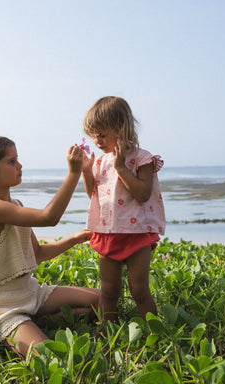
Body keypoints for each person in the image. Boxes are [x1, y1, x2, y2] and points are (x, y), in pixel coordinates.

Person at [0, 136, 99, 357]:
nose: (19, 166)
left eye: (17, 159)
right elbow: (49, 217)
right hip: (2, 307)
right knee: (51, 358)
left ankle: (35, 320)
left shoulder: (16, 204)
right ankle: (23, 327)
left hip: (30, 292)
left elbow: (37, 253)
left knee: (103, 300)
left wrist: (74, 239)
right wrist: (73, 173)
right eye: (11, 162)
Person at [81, 96, 166, 322]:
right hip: (108, 233)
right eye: (93, 135)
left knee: (139, 290)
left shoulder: (142, 159)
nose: (97, 141)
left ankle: (153, 333)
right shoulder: (100, 162)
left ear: (121, 127)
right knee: (108, 291)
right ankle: (106, 331)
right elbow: (93, 193)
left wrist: (120, 167)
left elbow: (143, 193)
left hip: (137, 234)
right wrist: (85, 172)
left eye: (102, 134)